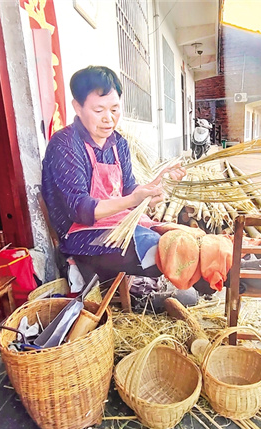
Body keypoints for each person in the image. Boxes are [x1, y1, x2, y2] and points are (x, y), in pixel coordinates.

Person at [41, 66, 185, 283]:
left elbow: (128, 189)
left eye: (115, 109)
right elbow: (80, 209)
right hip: (80, 237)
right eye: (99, 111)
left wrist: (156, 185)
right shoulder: (66, 144)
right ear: (77, 107)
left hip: (118, 224)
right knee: (159, 249)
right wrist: (133, 199)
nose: (109, 119)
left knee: (178, 237)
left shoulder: (118, 143)